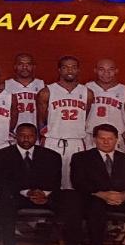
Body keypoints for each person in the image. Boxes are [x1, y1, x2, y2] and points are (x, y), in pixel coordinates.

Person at [0, 123, 63, 245]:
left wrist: (44, 194)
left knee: (69, 200)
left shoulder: (52, 156)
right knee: (4, 202)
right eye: (22, 135)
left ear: (36, 137)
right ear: (15, 137)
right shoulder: (0, 156)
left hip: (44, 196)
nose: (26, 139)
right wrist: (28, 192)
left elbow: (55, 182)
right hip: (17, 196)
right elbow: (2, 184)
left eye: (30, 136)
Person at [37, 56, 93, 188]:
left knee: (74, 182)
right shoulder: (46, 92)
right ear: (59, 70)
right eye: (65, 67)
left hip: (76, 141)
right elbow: (41, 119)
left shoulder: (87, 93)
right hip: (53, 140)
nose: (70, 70)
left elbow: (85, 115)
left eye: (73, 67)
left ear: (78, 70)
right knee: (49, 181)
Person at [86, 58, 125, 151]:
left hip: (115, 137)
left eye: (110, 69)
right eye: (101, 69)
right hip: (91, 135)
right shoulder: (87, 88)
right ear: (95, 70)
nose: (106, 73)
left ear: (116, 71)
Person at [3, 52, 44, 134]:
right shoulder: (5, 86)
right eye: (20, 64)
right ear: (15, 66)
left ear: (33, 67)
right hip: (12, 133)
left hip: (35, 133)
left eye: (28, 64)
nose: (25, 67)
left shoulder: (42, 86)